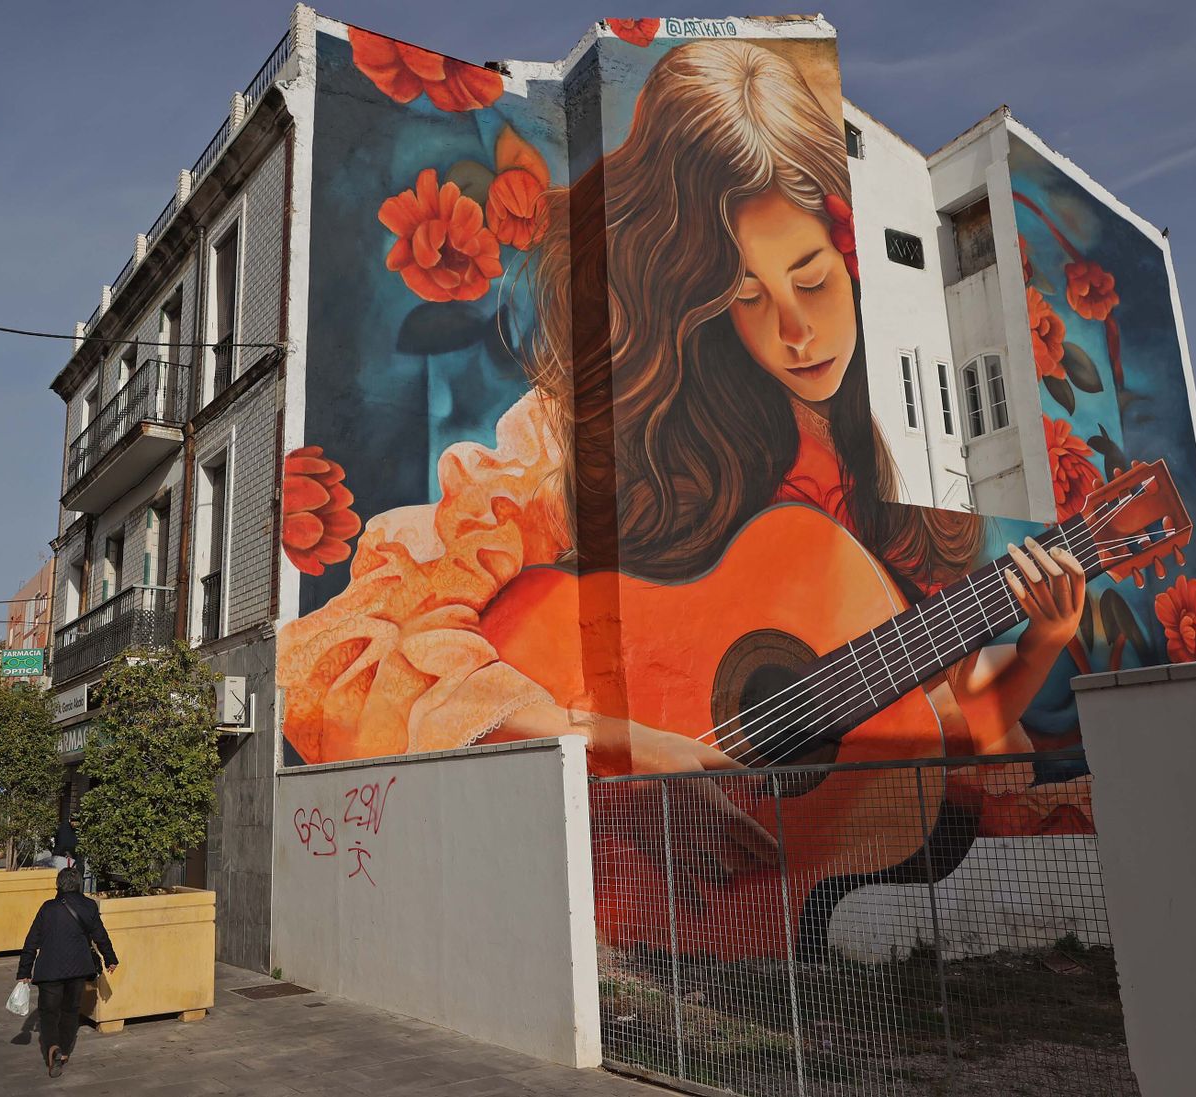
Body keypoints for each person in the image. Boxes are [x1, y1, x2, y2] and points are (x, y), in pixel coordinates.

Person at [278, 41, 1086, 877]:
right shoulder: (586, 439)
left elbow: (938, 741)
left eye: (813, 281)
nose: (795, 331)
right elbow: (346, 651)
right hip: (576, 868)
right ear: (697, 292)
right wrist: (605, 741)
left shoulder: (878, 488)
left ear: (854, 265)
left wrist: (1043, 642)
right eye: (745, 294)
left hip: (767, 900)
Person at [17, 867, 118, 1078]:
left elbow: (32, 940)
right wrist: (110, 958)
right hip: (77, 968)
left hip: (50, 969)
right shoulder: (89, 906)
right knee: (71, 1010)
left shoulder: (48, 908)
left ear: (58, 885)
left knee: (49, 1012)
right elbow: (100, 936)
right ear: (79, 884)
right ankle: (63, 1050)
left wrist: (25, 969)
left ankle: (53, 1046)